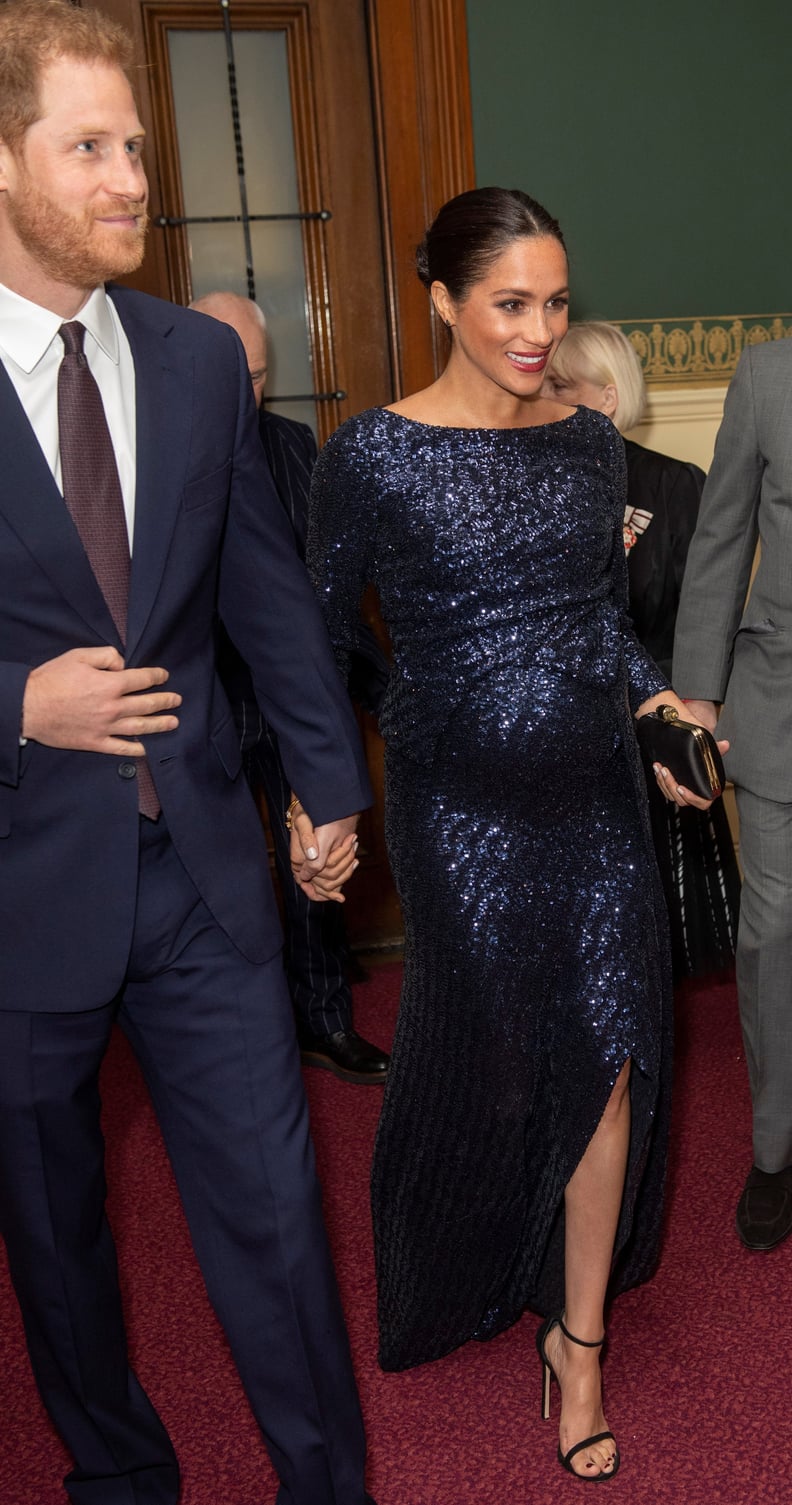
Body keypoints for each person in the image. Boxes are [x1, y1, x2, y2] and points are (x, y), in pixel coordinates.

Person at [0, 4, 377, 1503]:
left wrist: (330, 786)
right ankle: (121, 1482)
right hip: (23, 884)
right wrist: (19, 706)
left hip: (207, 875)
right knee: (57, 1236)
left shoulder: (197, 362)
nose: (127, 177)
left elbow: (267, 595)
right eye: (87, 145)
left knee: (277, 1215)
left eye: (136, 144)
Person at [302, 186, 725, 1482]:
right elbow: (320, 637)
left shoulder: (586, 446)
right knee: (485, 1053)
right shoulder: (371, 455)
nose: (541, 330)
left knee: (610, 1053)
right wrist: (376, 743)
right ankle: (474, 1256)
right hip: (460, 811)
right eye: (510, 304)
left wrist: (653, 709)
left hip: (593, 798)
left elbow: (601, 621)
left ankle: (579, 1338)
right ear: (442, 299)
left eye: (554, 302)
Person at [189, 290, 390, 1085]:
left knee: (318, 855)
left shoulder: (292, 442)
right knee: (219, 875)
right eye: (232, 377)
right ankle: (235, 1035)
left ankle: (326, 1021)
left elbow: (320, 591)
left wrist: (353, 689)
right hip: (200, 702)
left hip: (288, 695)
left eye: (260, 377)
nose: (248, 395)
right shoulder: (151, 449)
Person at [543, 320, 741, 980]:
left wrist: (686, 711)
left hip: (656, 702)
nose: (543, 392)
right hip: (560, 713)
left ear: (604, 395)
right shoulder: (531, 483)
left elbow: (703, 611)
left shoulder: (675, 485)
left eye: (559, 384)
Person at [673, 337, 792, 1254]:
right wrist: (698, 699)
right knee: (773, 933)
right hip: (780, 705)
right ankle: (776, 1149)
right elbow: (720, 536)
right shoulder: (767, 375)